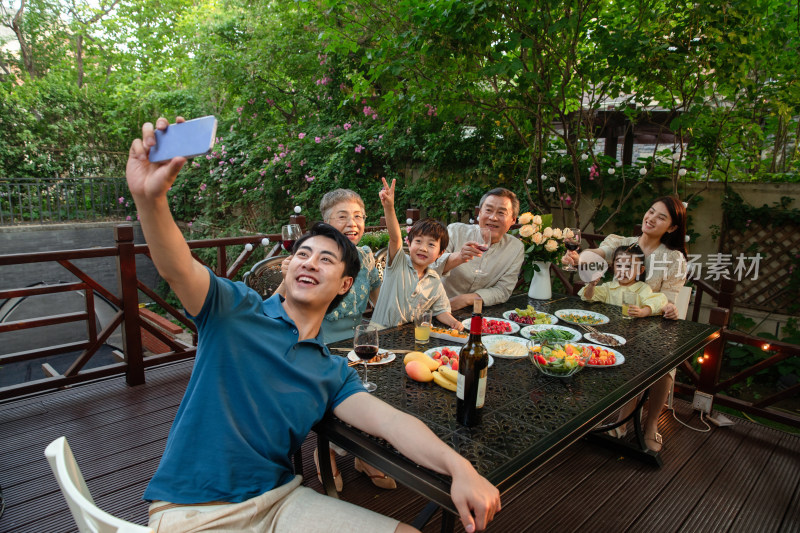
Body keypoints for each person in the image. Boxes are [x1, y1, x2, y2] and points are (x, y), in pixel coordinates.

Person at [129, 118, 500, 533]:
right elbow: (178, 267)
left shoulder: (330, 371)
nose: (309, 262)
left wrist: (460, 466)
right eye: (304, 254)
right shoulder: (234, 312)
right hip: (192, 510)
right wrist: (151, 200)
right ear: (289, 268)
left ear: (345, 283)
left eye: (326, 259)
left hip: (280, 500)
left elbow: (393, 424)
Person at [564, 195, 688, 452]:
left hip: (649, 323)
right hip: (612, 322)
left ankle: (650, 423)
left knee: (663, 362)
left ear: (673, 227)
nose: (651, 218)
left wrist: (667, 309)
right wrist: (580, 259)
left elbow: (667, 300)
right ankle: (610, 418)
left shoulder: (673, 258)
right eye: (651, 211)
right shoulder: (622, 243)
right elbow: (596, 254)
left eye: (661, 217)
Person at [370, 178, 464, 331]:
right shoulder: (398, 263)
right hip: (379, 334)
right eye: (418, 241)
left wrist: (453, 322)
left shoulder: (434, 281)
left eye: (431, 244)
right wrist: (389, 207)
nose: (423, 248)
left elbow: (441, 310)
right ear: (409, 243)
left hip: (407, 336)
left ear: (440, 253)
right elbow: (395, 237)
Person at [432, 188, 525, 311]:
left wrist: (466, 299)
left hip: (480, 313)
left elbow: (503, 290)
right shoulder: (455, 231)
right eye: (488, 210)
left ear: (513, 219)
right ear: (480, 213)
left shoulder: (515, 248)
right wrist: (459, 257)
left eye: (501, 213)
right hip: (437, 307)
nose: (493, 217)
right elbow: (430, 268)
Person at [579, 244, 669, 316]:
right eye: (619, 266)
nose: (623, 271)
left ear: (640, 270)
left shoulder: (642, 289)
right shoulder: (609, 287)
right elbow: (588, 297)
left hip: (632, 329)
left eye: (629, 266)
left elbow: (656, 302)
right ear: (613, 267)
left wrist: (642, 312)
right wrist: (591, 285)